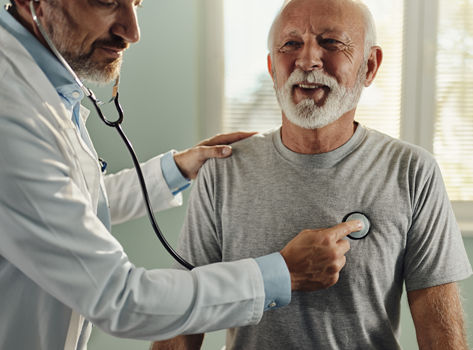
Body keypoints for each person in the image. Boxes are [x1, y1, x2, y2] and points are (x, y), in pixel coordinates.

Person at [0, 0, 365, 349]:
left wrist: (176, 169)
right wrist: (282, 273)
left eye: (136, 5)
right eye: (107, 2)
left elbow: (59, 206)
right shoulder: (10, 110)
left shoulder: (43, 89)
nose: (133, 31)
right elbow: (121, 299)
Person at [152, 0, 473, 349]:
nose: (306, 61)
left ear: (370, 65)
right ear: (272, 67)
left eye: (331, 43)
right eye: (290, 45)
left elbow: (441, 338)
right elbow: (183, 321)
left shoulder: (413, 172)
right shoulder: (222, 172)